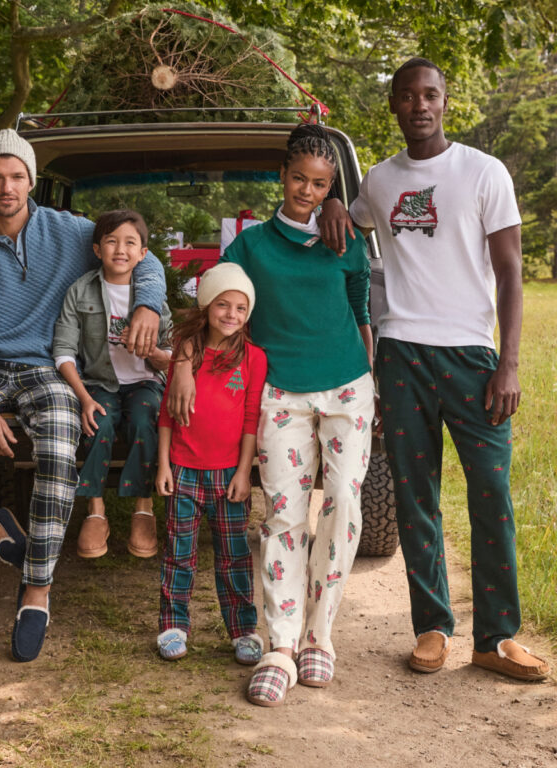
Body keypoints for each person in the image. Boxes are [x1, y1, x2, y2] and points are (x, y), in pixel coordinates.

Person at [0, 129, 166, 663]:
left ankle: (36, 589)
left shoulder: (70, 232)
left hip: (47, 368)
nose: (6, 186)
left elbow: (139, 252)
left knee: (60, 444)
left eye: (17, 176)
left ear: (32, 181)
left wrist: (148, 306)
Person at [319, 57, 550, 682]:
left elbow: (510, 273)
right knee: (416, 498)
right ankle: (432, 628)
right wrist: (333, 204)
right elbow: (345, 218)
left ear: (445, 102)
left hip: (473, 359)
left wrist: (509, 363)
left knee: (491, 494)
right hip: (400, 356)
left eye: (430, 95)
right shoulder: (381, 181)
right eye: (406, 96)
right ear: (393, 105)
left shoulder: (483, 172)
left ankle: (497, 639)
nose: (419, 105)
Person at [167, 124, 376, 705]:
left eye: (320, 184)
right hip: (279, 393)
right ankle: (281, 645)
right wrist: (183, 363)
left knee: (343, 507)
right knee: (283, 514)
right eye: (299, 180)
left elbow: (360, 303)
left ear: (330, 186)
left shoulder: (345, 237)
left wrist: (370, 372)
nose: (307, 192)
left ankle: (320, 639)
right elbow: (204, 308)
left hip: (347, 389)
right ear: (280, 178)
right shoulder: (249, 247)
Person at [155, 263, 267, 665]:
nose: (231, 315)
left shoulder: (254, 358)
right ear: (206, 306)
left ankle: (243, 630)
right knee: (178, 552)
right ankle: (173, 625)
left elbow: (252, 418)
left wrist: (243, 471)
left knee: (234, 554)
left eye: (240, 307)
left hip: (228, 476)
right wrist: (164, 465)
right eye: (223, 304)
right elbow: (168, 413)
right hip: (184, 468)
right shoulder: (188, 353)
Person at [53, 209, 173, 559]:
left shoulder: (152, 299)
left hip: (143, 382)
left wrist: (156, 355)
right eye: (111, 241)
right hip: (98, 382)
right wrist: (83, 397)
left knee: (144, 420)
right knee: (98, 423)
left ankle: (143, 508)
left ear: (142, 254)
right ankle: (96, 511)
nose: (120, 250)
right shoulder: (80, 291)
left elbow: (168, 353)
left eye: (130, 243)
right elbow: (63, 349)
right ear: (96, 249)